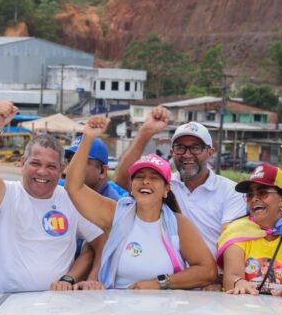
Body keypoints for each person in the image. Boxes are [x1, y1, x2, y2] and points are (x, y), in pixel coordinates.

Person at [65, 116, 217, 290]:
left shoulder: (178, 224)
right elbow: (73, 188)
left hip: (165, 312)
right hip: (117, 309)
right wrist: (88, 138)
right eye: (139, 177)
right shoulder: (116, 215)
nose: (145, 182)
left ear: (166, 188)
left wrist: (160, 283)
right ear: (131, 186)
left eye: (153, 178)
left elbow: (207, 271)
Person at [0, 100, 106, 298]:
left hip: (54, 308)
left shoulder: (71, 201)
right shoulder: (6, 195)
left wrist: (89, 279)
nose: (42, 172)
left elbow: (102, 241)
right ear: (22, 163)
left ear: (62, 169)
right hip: (5, 306)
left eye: (51, 166)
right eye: (35, 163)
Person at [115, 107, 247, 258]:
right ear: (172, 153)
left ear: (210, 153)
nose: (187, 154)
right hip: (166, 274)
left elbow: (230, 240)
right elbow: (121, 179)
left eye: (195, 148)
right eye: (180, 148)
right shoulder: (164, 185)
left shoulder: (231, 191)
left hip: (212, 276)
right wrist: (146, 132)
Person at [215, 164, 282, 300]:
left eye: (263, 193)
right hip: (242, 310)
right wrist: (238, 282)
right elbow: (231, 276)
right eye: (249, 195)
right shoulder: (236, 231)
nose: (254, 199)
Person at [62, 136, 123, 201]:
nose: (70, 169)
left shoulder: (115, 208)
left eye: (80, 163)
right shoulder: (63, 193)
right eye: (69, 162)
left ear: (102, 171)